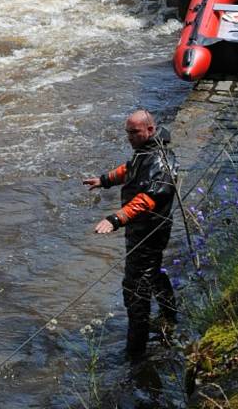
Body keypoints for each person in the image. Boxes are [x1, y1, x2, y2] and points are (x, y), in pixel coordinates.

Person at [83, 110, 178, 359]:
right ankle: (170, 318)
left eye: (134, 132)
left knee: (135, 288)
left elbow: (148, 198)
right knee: (152, 272)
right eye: (127, 132)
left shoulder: (159, 161)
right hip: (141, 230)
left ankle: (135, 354)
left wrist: (116, 219)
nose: (130, 137)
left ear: (149, 129)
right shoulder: (146, 152)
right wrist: (104, 180)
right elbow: (130, 170)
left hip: (150, 230)